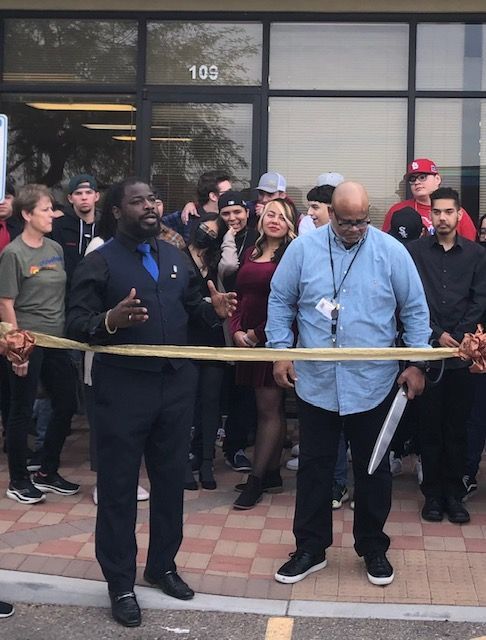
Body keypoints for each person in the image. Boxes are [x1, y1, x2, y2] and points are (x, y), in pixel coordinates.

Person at [66, 177, 236, 628]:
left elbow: (193, 307)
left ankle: (162, 565)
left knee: (170, 484)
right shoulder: (99, 261)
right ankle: (120, 582)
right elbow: (75, 324)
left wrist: (212, 309)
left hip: (175, 389)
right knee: (119, 490)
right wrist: (110, 320)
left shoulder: (175, 257)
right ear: (118, 211)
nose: (149, 206)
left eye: (152, 199)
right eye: (137, 201)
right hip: (122, 392)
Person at [266, 181, 430, 587]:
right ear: (331, 215)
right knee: (315, 469)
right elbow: (280, 300)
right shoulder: (303, 250)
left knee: (373, 470)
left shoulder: (391, 251)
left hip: (372, 384)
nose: (355, 229)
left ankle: (373, 547)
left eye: (362, 221)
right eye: (347, 222)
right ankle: (310, 548)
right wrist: (280, 351)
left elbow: (414, 310)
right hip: (317, 383)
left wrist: (416, 364)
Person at [408, 187, 486, 524]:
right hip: (427, 350)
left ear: (458, 215)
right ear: (431, 215)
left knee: (457, 428)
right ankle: (432, 496)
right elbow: (410, 299)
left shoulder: (476, 255)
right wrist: (437, 332)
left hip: (463, 354)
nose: (442, 217)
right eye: (436, 212)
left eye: (448, 212)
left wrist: (461, 335)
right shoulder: (414, 253)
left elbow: (480, 299)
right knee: (429, 427)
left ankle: (454, 495)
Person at [0, 184, 79, 504]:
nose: (52, 215)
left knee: (66, 404)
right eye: (45, 210)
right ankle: (18, 479)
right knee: (21, 411)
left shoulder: (55, 249)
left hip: (56, 339)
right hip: (27, 341)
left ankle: (47, 471)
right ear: (27, 214)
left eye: (51, 209)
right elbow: (6, 303)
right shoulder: (13, 253)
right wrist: (16, 348)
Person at [230, 197, 298, 510]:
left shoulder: (292, 256)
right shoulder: (250, 252)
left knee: (269, 407)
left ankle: (256, 480)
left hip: (273, 340)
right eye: (270, 214)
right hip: (246, 338)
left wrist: (258, 334)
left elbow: (290, 303)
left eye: (282, 217)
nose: (274, 220)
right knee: (267, 408)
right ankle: (272, 474)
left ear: (290, 225)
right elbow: (239, 297)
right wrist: (236, 330)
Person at [184, 213, 228, 490]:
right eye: (204, 228)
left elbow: (233, 263)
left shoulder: (217, 263)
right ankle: (183, 460)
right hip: (184, 339)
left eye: (214, 232)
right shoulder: (177, 256)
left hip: (212, 338)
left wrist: (229, 238)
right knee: (187, 403)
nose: (207, 234)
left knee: (211, 402)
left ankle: (207, 460)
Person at [217, 191, 258, 473]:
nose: (233, 219)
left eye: (237, 212)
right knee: (222, 386)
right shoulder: (214, 237)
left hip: (252, 321)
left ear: (247, 212)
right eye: (226, 214)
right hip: (222, 318)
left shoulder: (258, 237)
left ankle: (237, 446)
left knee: (246, 388)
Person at [382, 158, 477, 241]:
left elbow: (469, 247)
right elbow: (385, 243)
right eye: (412, 179)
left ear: (437, 179)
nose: (417, 182)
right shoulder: (398, 210)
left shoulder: (454, 211)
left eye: (422, 177)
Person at [51, 174, 100, 291]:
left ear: (96, 196)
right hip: (66, 294)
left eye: (89, 192)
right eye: (78, 193)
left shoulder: (107, 226)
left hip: (99, 293)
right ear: (70, 198)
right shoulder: (57, 226)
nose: (84, 197)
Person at [162, 170, 232, 242]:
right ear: (213, 196)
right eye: (228, 192)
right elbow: (159, 226)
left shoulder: (230, 218)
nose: (232, 195)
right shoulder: (186, 217)